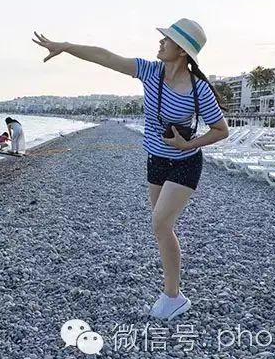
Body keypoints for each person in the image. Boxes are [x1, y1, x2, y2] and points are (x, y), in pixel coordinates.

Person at [32, 19, 229, 320]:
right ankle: (174, 289)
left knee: (160, 223)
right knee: (162, 228)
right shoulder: (151, 72)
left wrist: (188, 145)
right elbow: (106, 57)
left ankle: (172, 296)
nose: (161, 43)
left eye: (167, 40)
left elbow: (220, 130)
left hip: (186, 163)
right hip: (156, 161)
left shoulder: (198, 89)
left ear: (182, 51)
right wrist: (66, 47)